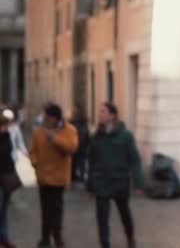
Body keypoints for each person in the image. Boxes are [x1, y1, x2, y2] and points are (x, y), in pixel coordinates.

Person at [87, 102, 144, 248]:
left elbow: (135, 160)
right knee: (102, 218)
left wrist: (138, 183)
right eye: (99, 111)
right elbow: (91, 162)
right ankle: (104, 244)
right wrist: (90, 185)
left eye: (103, 112)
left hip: (119, 182)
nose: (100, 114)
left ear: (112, 116)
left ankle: (130, 237)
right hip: (101, 182)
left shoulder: (125, 136)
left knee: (124, 213)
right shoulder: (96, 137)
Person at [29, 103, 78, 248]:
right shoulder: (39, 132)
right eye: (44, 117)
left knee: (56, 210)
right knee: (45, 210)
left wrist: (55, 139)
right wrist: (35, 163)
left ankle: (57, 238)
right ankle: (45, 239)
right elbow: (32, 151)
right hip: (43, 177)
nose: (44, 120)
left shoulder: (70, 130)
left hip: (58, 178)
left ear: (56, 118)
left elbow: (72, 148)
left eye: (47, 117)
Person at [0, 108, 18, 248]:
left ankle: (4, 238)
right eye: (3, 125)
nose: (5, 128)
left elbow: (8, 155)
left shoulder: (6, 136)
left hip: (6, 179)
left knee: (4, 210)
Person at [69, 106, 90, 184]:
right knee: (76, 164)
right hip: (77, 147)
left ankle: (78, 178)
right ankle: (75, 178)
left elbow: (86, 135)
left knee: (80, 164)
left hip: (80, 147)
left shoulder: (82, 123)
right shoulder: (72, 123)